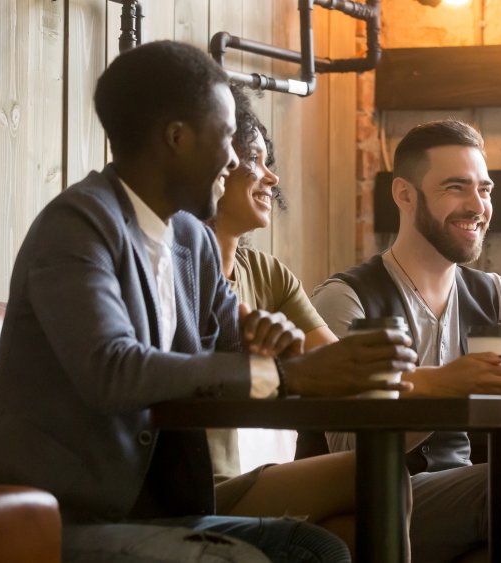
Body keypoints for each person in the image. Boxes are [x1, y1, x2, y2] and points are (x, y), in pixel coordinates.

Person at [0, 40, 415, 563]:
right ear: (177, 138)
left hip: (165, 511)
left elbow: (232, 355)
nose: (236, 159)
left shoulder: (190, 240)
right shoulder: (78, 226)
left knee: (315, 549)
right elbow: (112, 370)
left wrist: (272, 348)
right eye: (226, 138)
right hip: (65, 517)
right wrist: (290, 376)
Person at [309, 119, 501, 562]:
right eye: (456, 188)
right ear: (404, 195)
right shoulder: (346, 299)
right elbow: (348, 448)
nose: (477, 206)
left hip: (458, 504)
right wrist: (449, 383)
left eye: (485, 190)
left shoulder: (495, 295)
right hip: (364, 503)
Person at [203, 84, 373, 550]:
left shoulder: (268, 274)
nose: (270, 178)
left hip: (249, 480)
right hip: (202, 489)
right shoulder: (174, 267)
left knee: (346, 536)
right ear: (218, 164)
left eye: (267, 160)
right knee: (372, 468)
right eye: (254, 160)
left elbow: (342, 372)